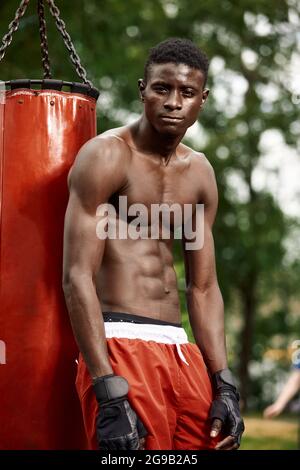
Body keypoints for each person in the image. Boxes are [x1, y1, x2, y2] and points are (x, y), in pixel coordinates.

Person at [62, 37, 245, 451]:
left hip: (180, 349)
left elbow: (203, 287)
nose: (173, 102)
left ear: (203, 99)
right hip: (120, 342)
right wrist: (107, 387)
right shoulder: (107, 157)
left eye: (187, 92)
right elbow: (77, 278)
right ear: (142, 88)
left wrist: (224, 381)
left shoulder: (199, 174)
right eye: (162, 89)